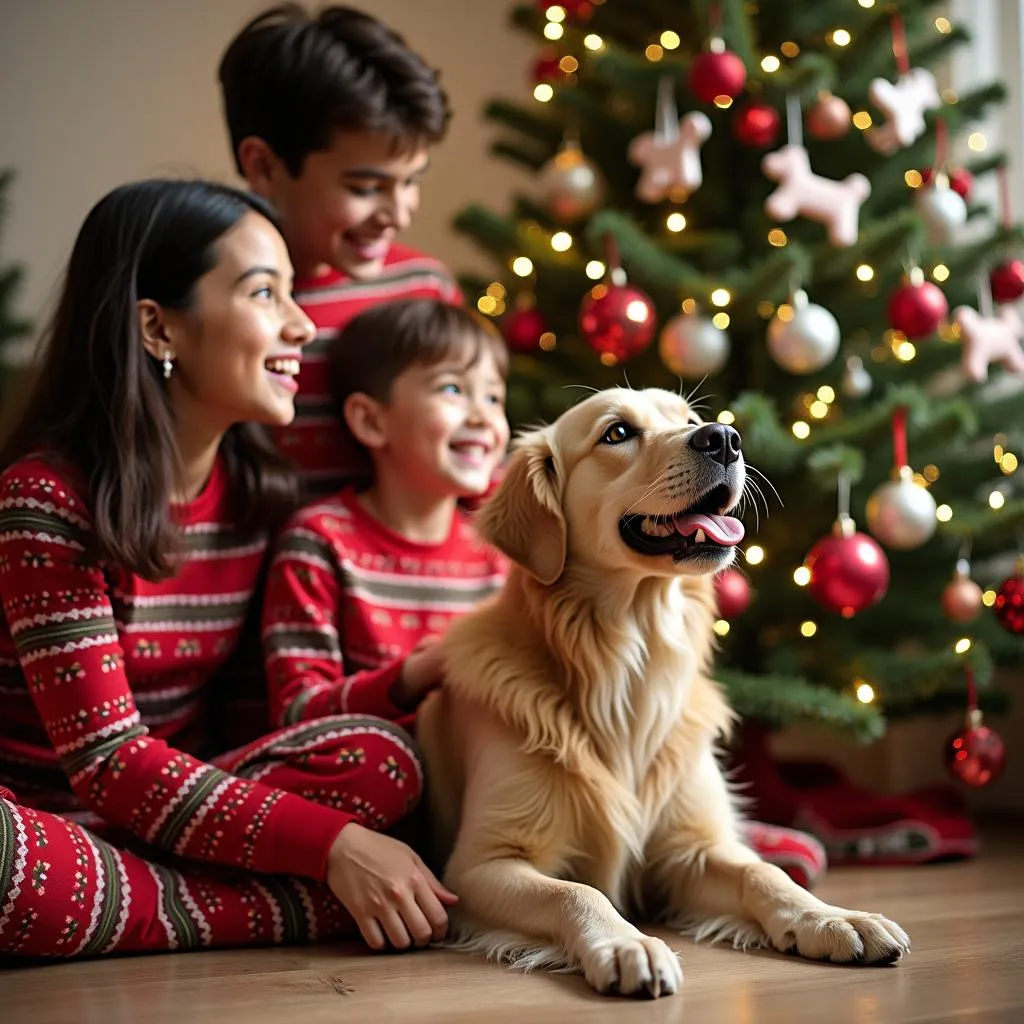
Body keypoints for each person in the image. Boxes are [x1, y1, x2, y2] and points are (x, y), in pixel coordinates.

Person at [0, 179, 455, 960]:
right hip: (48, 822)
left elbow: (274, 725)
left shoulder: (258, 497)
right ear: (157, 327)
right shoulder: (46, 499)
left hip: (187, 821)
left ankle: (131, 908)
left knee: (382, 761)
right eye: (263, 293)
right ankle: (248, 912)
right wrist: (332, 851)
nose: (302, 324)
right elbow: (110, 764)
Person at [218, 3, 463, 496]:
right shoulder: (210, 304)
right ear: (264, 167)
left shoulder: (423, 291)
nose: (399, 213)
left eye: (411, 181)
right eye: (366, 187)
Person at [261, 297, 508, 756]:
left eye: (494, 396)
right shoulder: (319, 541)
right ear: (371, 421)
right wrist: (415, 675)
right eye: (453, 390)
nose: (483, 417)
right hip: (369, 773)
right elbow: (296, 713)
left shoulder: (498, 549)